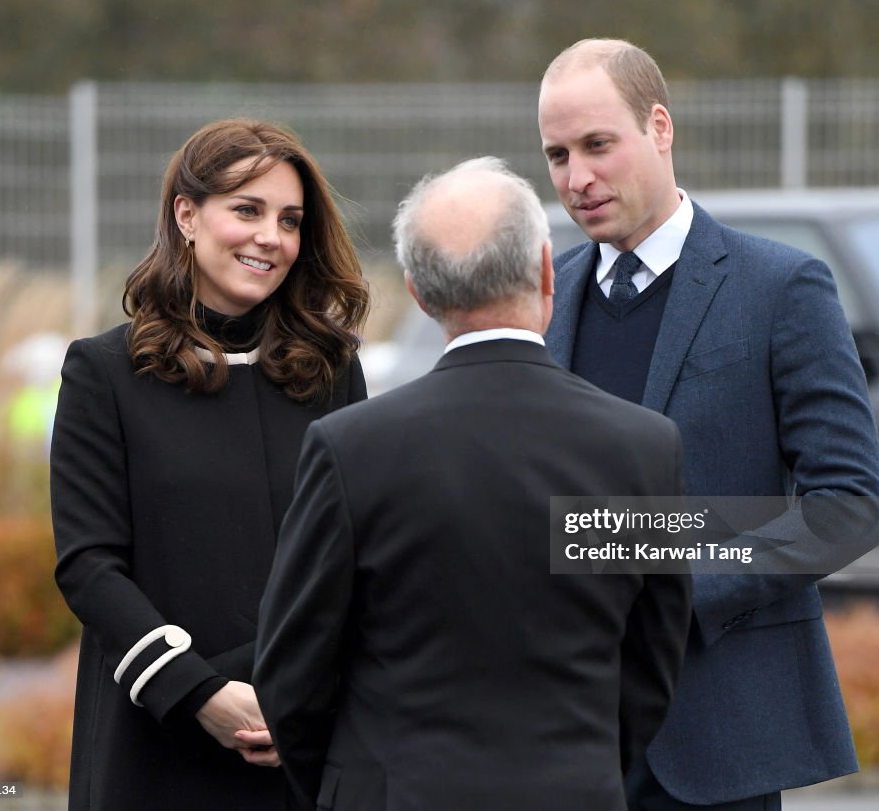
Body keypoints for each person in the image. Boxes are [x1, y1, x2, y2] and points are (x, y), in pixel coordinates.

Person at [253, 156, 693, 811]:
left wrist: (350, 785)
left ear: (419, 293)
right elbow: (654, 664)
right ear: (547, 269)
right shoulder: (645, 448)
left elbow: (291, 675)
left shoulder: (350, 449)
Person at [538, 39, 879, 810]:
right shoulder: (544, 292)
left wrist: (682, 590)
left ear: (659, 128)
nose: (577, 179)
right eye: (558, 155)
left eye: (599, 145)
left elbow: (848, 505)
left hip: (712, 737)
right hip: (558, 738)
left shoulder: (780, 287)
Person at [50, 118, 369, 811]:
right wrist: (198, 691)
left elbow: (353, 557)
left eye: (289, 220)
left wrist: (297, 696)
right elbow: (89, 564)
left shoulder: (332, 372)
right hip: (154, 745)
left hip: (297, 746)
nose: (271, 238)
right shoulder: (104, 372)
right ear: (187, 215)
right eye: (247, 210)